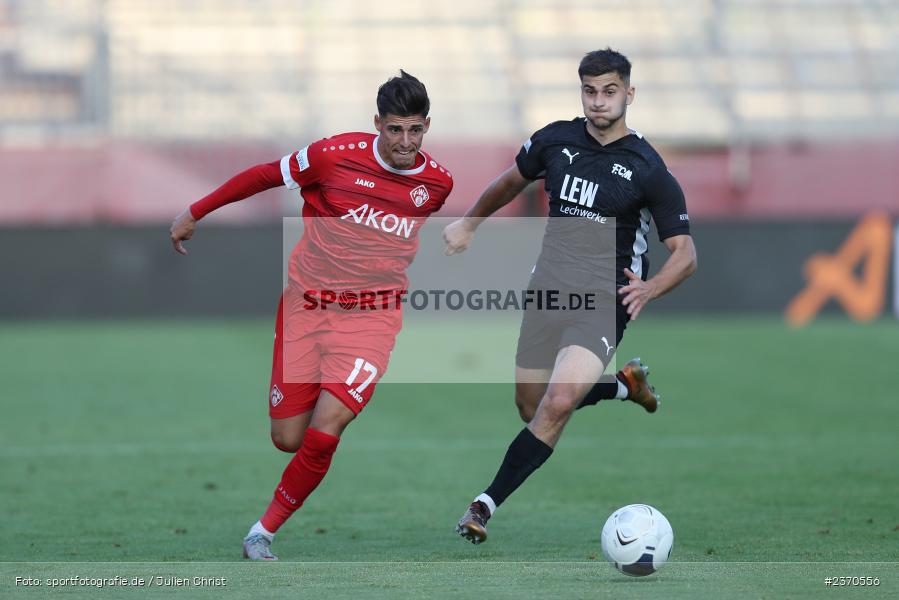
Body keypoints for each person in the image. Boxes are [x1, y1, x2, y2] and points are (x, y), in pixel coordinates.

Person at [169, 71, 453, 560]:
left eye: (414, 130)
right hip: (306, 306)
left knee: (326, 430)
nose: (405, 142)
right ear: (377, 125)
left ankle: (262, 532)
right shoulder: (331, 156)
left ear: (426, 126)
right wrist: (196, 211)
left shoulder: (437, 184)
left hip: (372, 318)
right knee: (287, 438)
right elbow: (263, 175)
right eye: (394, 130)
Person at [442, 48, 697, 544]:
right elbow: (510, 181)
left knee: (558, 402)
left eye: (609, 91)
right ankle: (623, 386)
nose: (599, 102)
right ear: (580, 92)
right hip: (547, 291)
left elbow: (685, 253)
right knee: (530, 406)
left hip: (604, 301)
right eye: (590, 91)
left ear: (629, 93)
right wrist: (470, 223)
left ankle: (483, 505)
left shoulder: (647, 166)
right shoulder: (554, 140)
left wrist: (649, 287)